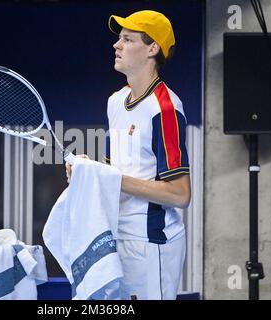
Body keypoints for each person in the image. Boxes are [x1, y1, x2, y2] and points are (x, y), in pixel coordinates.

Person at [66, 10, 191, 300]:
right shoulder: (115, 101)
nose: (116, 45)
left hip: (151, 243)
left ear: (152, 49)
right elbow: (123, 168)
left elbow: (179, 194)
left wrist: (109, 178)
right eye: (119, 38)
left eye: (127, 39)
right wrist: (90, 169)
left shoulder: (166, 109)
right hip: (114, 237)